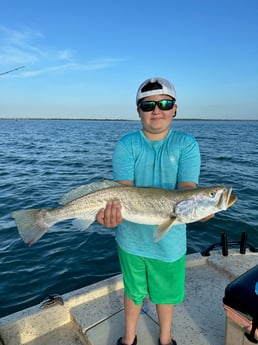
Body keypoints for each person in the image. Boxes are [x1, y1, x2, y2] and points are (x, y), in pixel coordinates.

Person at [96, 77, 208, 345]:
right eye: (148, 106)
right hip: (130, 241)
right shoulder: (126, 144)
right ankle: (129, 338)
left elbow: (187, 189)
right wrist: (107, 215)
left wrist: (203, 204)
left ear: (175, 108)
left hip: (170, 243)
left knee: (166, 295)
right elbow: (121, 192)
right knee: (133, 293)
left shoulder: (187, 144)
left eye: (164, 103)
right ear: (138, 111)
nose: (156, 110)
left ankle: (165, 339)